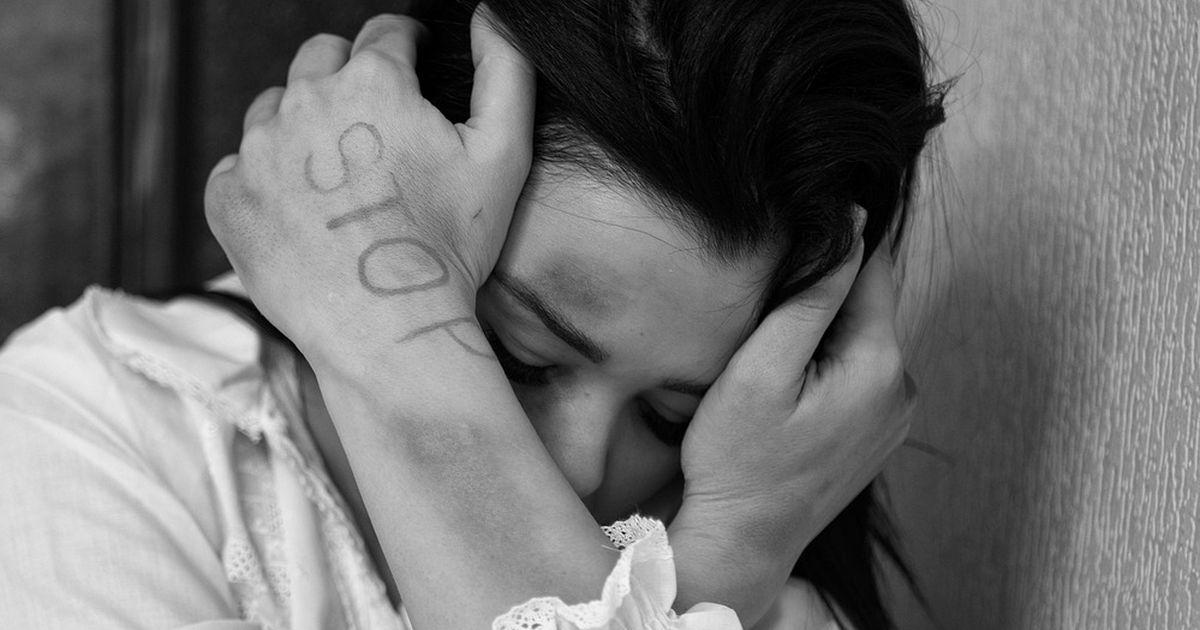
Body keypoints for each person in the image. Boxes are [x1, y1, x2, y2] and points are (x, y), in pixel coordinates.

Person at [0, 0, 944, 628]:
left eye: (672, 418)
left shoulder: (758, 499)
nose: (583, 468)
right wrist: (393, 342)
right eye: (520, 353)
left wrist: (735, 539)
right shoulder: (84, 431)